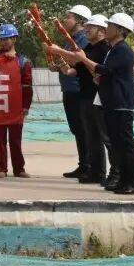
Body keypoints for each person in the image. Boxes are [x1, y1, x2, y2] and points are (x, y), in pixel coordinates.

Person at [65, 13, 134, 194]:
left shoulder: (122, 49)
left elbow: (105, 70)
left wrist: (84, 59)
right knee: (117, 143)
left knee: (126, 144)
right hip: (111, 102)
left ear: (121, 30)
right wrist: (99, 78)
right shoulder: (114, 50)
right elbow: (109, 73)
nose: (107, 28)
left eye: (111, 26)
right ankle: (124, 180)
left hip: (121, 103)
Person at [47, 14, 110, 185]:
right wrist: (59, 64)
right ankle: (94, 171)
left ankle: (114, 174)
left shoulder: (104, 48)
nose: (87, 30)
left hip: (97, 96)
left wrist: (58, 51)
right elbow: (74, 69)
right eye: (87, 27)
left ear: (101, 30)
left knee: (105, 137)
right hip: (84, 94)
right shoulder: (89, 46)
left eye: (90, 27)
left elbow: (87, 63)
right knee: (91, 135)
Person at [55, 5, 92, 180]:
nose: (65, 20)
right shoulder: (69, 39)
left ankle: (90, 165)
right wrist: (57, 65)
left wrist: (58, 52)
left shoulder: (83, 39)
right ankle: (84, 164)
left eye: (68, 17)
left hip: (78, 90)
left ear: (79, 20)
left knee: (83, 129)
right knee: (77, 129)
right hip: (69, 89)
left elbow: (78, 59)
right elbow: (69, 63)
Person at [0, 23, 33, 178]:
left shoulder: (23, 61)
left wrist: (26, 106)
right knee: (0, 139)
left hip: (15, 106)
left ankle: (19, 168)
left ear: (14, 39)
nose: (3, 42)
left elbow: (27, 86)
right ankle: (1, 168)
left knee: (15, 139)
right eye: (1, 39)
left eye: (6, 39)